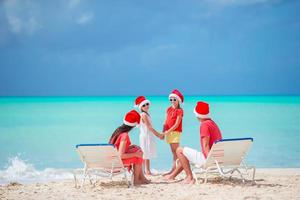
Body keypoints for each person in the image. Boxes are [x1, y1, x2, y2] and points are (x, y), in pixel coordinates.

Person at [164, 101, 222, 184]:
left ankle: (189, 177)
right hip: (218, 160)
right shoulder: (213, 123)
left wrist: (210, 161)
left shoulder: (204, 125)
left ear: (198, 115)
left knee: (179, 150)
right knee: (185, 154)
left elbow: (205, 145)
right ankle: (172, 176)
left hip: (209, 160)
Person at [108, 110, 150, 185]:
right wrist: (135, 154)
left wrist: (132, 148)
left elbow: (117, 148)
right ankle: (136, 180)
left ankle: (142, 178)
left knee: (137, 149)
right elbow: (120, 155)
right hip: (116, 164)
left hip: (110, 161)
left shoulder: (118, 131)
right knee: (138, 155)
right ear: (133, 125)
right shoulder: (124, 135)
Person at [135, 96, 164, 175]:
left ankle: (146, 170)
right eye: (143, 105)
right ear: (141, 107)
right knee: (146, 153)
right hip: (145, 136)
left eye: (147, 104)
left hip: (147, 135)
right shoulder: (143, 115)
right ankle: (147, 171)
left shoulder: (146, 114)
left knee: (146, 153)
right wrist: (158, 135)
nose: (146, 106)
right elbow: (149, 127)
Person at [162, 89, 184, 176]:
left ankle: (176, 169)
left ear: (178, 100)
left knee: (176, 151)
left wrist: (167, 131)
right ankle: (174, 169)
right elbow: (165, 121)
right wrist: (163, 132)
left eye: (174, 99)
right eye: (171, 99)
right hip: (168, 132)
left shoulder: (180, 111)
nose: (172, 101)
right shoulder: (168, 109)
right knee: (173, 152)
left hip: (175, 132)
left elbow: (176, 124)